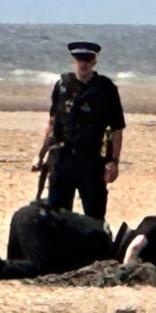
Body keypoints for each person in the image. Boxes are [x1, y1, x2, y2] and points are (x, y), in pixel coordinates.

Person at [36, 41, 126, 220]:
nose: (83, 64)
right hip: (62, 160)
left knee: (95, 218)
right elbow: (53, 124)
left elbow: (117, 130)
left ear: (94, 62)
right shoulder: (63, 85)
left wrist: (114, 162)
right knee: (58, 218)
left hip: (91, 161)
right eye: (79, 59)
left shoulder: (105, 89)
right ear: (73, 61)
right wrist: (40, 155)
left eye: (88, 59)